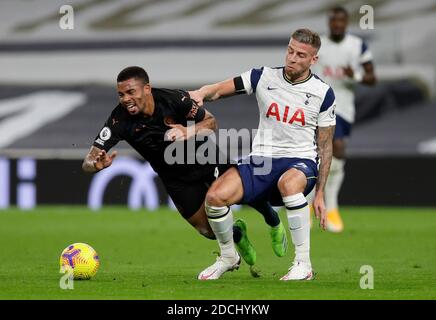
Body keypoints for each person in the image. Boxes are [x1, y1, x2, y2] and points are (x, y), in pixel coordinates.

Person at [81, 66, 287, 276]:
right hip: (175, 178)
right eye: (121, 94)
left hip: (204, 158)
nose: (125, 99)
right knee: (208, 231)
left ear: (146, 89)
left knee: (246, 195)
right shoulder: (118, 119)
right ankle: (237, 235)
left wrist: (188, 131)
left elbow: (211, 122)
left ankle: (273, 219)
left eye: (131, 92)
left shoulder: (173, 100)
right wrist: (94, 164)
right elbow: (90, 158)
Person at [189, 28, 336, 280]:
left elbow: (325, 146)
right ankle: (228, 257)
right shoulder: (263, 77)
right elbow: (219, 89)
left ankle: (303, 265)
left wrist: (320, 193)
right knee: (214, 197)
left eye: (300, 55)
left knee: (289, 183)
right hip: (261, 160)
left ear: (314, 60)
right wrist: (201, 93)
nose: (292, 58)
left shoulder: (323, 93)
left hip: (300, 162)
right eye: (290, 50)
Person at [311, 6, 376, 232]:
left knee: (337, 150)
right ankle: (317, 205)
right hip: (316, 106)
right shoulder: (317, 45)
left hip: (343, 107)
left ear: (346, 23)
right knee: (319, 151)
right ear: (329, 23)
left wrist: (355, 75)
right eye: (333, 21)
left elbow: (372, 78)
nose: (337, 25)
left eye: (341, 22)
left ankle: (330, 205)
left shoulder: (357, 45)